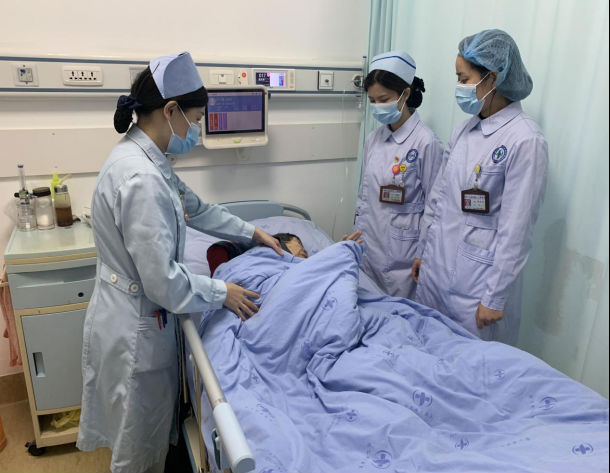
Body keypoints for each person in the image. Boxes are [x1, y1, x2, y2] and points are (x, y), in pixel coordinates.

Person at [76, 52, 282, 473]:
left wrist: (251, 232)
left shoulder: (146, 157)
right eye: (197, 119)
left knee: (142, 437)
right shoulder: (142, 179)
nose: (197, 131)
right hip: (135, 327)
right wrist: (222, 292)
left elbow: (198, 208)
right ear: (170, 111)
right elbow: (163, 282)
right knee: (137, 451)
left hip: (131, 313)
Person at [412, 30, 548, 345]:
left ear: (492, 79)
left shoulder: (525, 140)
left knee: (472, 364)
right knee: (429, 352)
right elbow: (438, 199)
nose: (459, 87)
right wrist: (422, 252)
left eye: (464, 79)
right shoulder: (464, 130)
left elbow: (517, 229)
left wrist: (495, 297)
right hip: (436, 272)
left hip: (477, 289)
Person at [354, 50, 443, 299]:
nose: (377, 107)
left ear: (405, 93)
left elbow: (435, 207)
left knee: (402, 313)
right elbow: (364, 198)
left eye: (383, 99)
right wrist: (356, 238)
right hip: (369, 249)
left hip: (405, 258)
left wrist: (424, 253)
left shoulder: (426, 142)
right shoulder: (373, 140)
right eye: (372, 101)